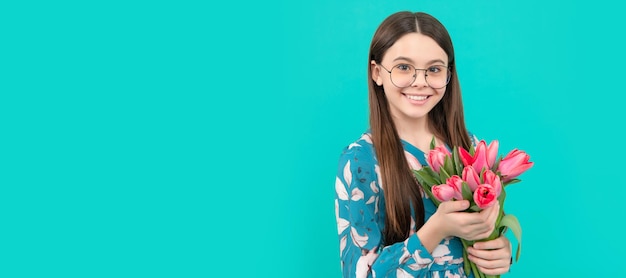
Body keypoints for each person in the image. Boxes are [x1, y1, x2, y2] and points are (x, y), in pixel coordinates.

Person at [334, 11, 512, 277]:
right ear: (377, 73)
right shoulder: (361, 160)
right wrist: (436, 229)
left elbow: (482, 239)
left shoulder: (468, 147)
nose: (420, 81)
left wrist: (499, 252)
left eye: (434, 69)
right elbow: (360, 273)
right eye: (404, 67)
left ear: (448, 75)